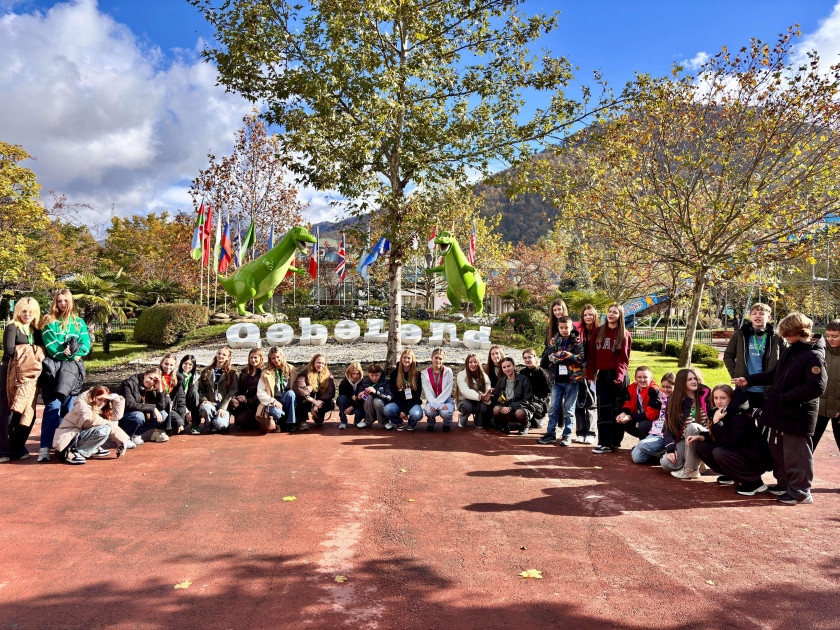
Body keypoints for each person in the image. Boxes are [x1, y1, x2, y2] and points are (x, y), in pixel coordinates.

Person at [734, 313, 827, 505]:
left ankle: (800, 492)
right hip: (780, 412)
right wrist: (749, 380)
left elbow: (816, 386)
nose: (784, 336)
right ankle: (786, 485)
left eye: (787, 333)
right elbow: (774, 375)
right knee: (779, 452)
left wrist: (785, 397)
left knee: (797, 455)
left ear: (798, 331)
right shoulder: (791, 351)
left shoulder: (813, 355)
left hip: (798, 415)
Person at [688, 385, 773, 495]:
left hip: (754, 460)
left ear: (731, 399)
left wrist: (715, 423)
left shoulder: (739, 415)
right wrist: (703, 437)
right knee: (702, 447)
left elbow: (729, 442)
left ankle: (755, 483)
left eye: (723, 398)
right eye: (716, 398)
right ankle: (731, 475)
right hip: (739, 453)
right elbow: (722, 436)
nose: (718, 401)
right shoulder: (722, 412)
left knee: (719, 453)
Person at [37, 289, 90, 462]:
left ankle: (63, 446)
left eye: (65, 301)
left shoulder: (79, 322)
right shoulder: (48, 321)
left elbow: (85, 344)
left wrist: (75, 352)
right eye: (59, 301)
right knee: (52, 408)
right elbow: (52, 347)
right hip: (54, 370)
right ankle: (45, 447)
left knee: (68, 410)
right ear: (55, 302)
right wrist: (67, 352)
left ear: (70, 302)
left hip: (73, 370)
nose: (62, 304)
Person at [1, 297, 44, 462]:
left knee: (28, 413)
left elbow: (43, 350)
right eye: (24, 311)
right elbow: (10, 350)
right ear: (19, 311)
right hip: (10, 373)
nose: (27, 314)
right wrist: (35, 351)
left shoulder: (36, 330)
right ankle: (3, 450)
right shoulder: (13, 328)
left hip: (31, 375)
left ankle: (17, 446)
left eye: (31, 311)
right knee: (8, 412)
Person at [589, 303, 632, 454]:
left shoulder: (624, 334)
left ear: (620, 316)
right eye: (609, 311)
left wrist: (619, 377)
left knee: (617, 410)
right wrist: (590, 375)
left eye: (615, 312)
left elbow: (623, 359)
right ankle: (604, 443)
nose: (611, 314)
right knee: (604, 410)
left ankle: (615, 441)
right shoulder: (598, 331)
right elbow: (592, 355)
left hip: (618, 377)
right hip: (603, 376)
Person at [724, 303, 784, 410]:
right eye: (754, 313)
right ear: (750, 317)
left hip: (769, 390)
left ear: (769, 317)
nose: (757, 316)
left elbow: (785, 360)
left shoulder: (778, 337)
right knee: (744, 424)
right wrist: (735, 373)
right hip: (744, 389)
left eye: (761, 313)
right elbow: (728, 356)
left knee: (765, 424)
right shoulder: (739, 335)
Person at [53, 386, 131, 463]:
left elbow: (116, 416)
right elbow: (92, 421)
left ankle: (91, 448)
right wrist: (123, 440)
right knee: (105, 429)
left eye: (106, 400)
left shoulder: (97, 405)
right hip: (68, 439)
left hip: (79, 433)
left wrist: (116, 398)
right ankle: (70, 452)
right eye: (99, 399)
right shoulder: (82, 406)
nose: (102, 403)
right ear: (92, 397)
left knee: (113, 422)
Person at [539, 316, 584, 446]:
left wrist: (565, 355)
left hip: (572, 380)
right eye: (562, 327)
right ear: (558, 327)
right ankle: (550, 434)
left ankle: (567, 435)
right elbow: (549, 357)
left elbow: (581, 358)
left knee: (569, 409)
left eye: (567, 328)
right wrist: (566, 356)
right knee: (553, 408)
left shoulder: (577, 340)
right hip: (556, 380)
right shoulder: (554, 340)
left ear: (571, 327)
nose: (564, 330)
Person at [660, 368, 712, 478]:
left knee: (692, 427)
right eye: (689, 379)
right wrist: (670, 449)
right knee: (666, 463)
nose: (694, 381)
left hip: (706, 436)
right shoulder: (675, 400)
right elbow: (668, 427)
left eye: (695, 379)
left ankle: (691, 470)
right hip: (686, 439)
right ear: (682, 382)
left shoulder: (706, 395)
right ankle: (697, 462)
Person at [631, 372, 676, 464]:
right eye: (663, 387)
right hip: (657, 430)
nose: (665, 389)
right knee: (637, 458)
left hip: (667, 434)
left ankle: (666, 452)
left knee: (642, 445)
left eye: (669, 387)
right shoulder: (663, 397)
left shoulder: (678, 400)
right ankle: (658, 456)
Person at [118, 367, 167, 445]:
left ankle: (136, 434)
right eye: (150, 378)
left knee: (163, 414)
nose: (151, 382)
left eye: (154, 381)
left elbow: (161, 407)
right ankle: (125, 438)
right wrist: (152, 408)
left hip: (139, 414)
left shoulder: (152, 388)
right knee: (138, 416)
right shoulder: (128, 383)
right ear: (145, 375)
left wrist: (159, 390)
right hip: (124, 417)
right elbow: (129, 405)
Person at [198, 345, 240, 433]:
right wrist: (204, 400)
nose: (220, 356)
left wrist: (223, 407)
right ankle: (210, 424)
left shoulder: (231, 373)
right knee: (206, 407)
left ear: (228, 358)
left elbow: (232, 392)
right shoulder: (206, 371)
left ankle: (217, 423)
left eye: (224, 355)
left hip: (223, 405)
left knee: (221, 425)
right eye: (219, 353)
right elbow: (201, 390)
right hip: (210, 403)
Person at [813, 319, 840, 453]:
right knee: (807, 448)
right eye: (828, 335)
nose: (830, 339)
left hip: (838, 411)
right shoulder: (820, 352)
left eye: (834, 336)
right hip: (818, 409)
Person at [256, 346, 297, 433]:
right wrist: (273, 401)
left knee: (291, 393)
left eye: (278, 357)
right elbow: (260, 392)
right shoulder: (266, 373)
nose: (276, 360)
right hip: (274, 401)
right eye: (273, 358)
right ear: (270, 359)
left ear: (282, 356)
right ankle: (280, 421)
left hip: (288, 400)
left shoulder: (291, 369)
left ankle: (290, 423)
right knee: (276, 413)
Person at [573, 304, 599, 444]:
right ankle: (580, 432)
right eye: (585, 315)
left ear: (595, 316)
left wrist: (592, 372)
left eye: (590, 314)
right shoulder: (577, 331)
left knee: (592, 402)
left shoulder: (599, 331)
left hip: (593, 372)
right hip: (578, 371)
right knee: (579, 402)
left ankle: (591, 432)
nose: (588, 317)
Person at [616, 366, 661, 440]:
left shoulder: (654, 391)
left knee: (643, 425)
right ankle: (643, 438)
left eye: (645, 377)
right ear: (635, 378)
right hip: (641, 416)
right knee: (620, 421)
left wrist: (631, 417)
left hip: (656, 421)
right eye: (639, 377)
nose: (642, 380)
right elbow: (628, 404)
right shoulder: (632, 388)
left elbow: (653, 415)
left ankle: (653, 441)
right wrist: (623, 413)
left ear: (651, 378)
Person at [491, 357, 533, 435]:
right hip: (506, 407)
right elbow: (496, 397)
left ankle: (525, 425)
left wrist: (511, 408)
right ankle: (504, 425)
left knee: (520, 413)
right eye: (504, 367)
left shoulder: (523, 379)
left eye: (509, 366)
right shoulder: (501, 380)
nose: (507, 369)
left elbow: (528, 399)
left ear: (514, 366)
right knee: (496, 409)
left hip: (520, 407)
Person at [385, 349, 424, 431]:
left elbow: (416, 396)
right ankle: (399, 422)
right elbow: (394, 394)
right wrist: (401, 411)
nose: (406, 360)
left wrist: (405, 411)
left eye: (409, 358)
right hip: (398, 402)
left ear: (412, 360)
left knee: (417, 414)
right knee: (387, 409)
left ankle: (411, 424)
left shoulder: (417, 375)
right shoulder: (395, 373)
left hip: (412, 402)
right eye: (404, 357)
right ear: (401, 358)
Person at [294, 353, 336, 427]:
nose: (320, 365)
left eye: (323, 363)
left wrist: (319, 401)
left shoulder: (328, 375)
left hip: (319, 401)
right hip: (308, 400)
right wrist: (313, 401)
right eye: (318, 363)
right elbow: (299, 389)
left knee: (330, 403)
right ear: (313, 362)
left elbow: (331, 392)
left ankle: (318, 417)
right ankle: (302, 421)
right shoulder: (304, 373)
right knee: (301, 400)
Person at [421, 348, 455, 432]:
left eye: (440, 358)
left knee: (446, 413)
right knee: (429, 411)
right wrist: (436, 404)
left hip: (446, 400)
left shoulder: (448, 372)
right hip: (431, 400)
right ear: (431, 357)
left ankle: (447, 424)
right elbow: (427, 392)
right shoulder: (424, 374)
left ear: (443, 360)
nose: (438, 360)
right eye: (436, 358)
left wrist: (438, 404)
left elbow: (448, 390)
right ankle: (431, 423)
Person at [457, 354, 492, 428]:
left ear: (478, 363)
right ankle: (462, 419)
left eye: (475, 362)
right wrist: (480, 395)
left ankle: (478, 421)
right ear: (467, 363)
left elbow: (487, 386)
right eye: (470, 362)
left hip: (479, 401)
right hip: (464, 401)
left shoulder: (483, 375)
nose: (473, 364)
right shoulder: (461, 375)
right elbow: (465, 391)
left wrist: (487, 395)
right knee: (467, 406)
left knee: (484, 407)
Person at [232, 348, 264, 431]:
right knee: (232, 402)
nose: (253, 360)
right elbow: (239, 388)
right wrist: (238, 396)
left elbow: (263, 393)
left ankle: (252, 421)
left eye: (255, 357)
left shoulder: (263, 373)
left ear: (261, 358)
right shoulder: (244, 372)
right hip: (244, 401)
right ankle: (243, 419)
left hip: (254, 403)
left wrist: (248, 400)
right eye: (251, 357)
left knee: (242, 421)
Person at [356, 363, 394, 429]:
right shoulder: (364, 382)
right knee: (368, 397)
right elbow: (358, 402)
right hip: (368, 407)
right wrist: (359, 397)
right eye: (372, 375)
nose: (374, 378)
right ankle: (368, 421)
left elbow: (389, 398)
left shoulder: (386, 382)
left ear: (380, 373)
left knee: (377, 400)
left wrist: (376, 392)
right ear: (368, 374)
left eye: (377, 375)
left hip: (381, 406)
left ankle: (384, 422)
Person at [158, 353, 187, 438]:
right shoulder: (156, 375)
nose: (168, 367)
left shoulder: (178, 378)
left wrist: (182, 419)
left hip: (171, 407)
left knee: (183, 420)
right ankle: (159, 430)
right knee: (166, 400)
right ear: (161, 363)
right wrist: (179, 421)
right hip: (159, 405)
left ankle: (168, 428)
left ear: (175, 366)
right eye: (166, 364)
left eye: (171, 365)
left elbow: (181, 399)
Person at [522, 348, 551, 428]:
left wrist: (536, 398)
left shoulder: (541, 372)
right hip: (526, 400)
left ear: (535, 357)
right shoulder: (522, 372)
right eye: (525, 358)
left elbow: (547, 391)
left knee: (536, 425)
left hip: (539, 402)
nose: (527, 360)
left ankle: (538, 418)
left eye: (530, 357)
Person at [337, 362, 365, 429]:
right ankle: (343, 421)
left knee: (360, 410)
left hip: (359, 404)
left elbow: (364, 399)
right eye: (353, 373)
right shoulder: (344, 383)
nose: (355, 376)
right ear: (349, 373)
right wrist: (350, 397)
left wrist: (353, 406)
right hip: (348, 402)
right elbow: (341, 397)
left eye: (357, 374)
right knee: (342, 398)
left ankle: (357, 421)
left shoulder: (363, 382)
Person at [177, 355, 200, 434]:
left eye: (190, 364)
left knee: (194, 393)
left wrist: (190, 411)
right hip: (178, 403)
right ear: (181, 363)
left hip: (190, 403)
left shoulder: (195, 377)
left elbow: (195, 396)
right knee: (177, 428)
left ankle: (195, 424)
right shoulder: (176, 375)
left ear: (193, 366)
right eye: (185, 363)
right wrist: (185, 411)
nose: (187, 366)